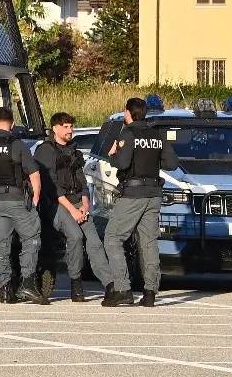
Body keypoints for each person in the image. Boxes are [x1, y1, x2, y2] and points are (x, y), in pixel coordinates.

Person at [36, 112, 134, 307]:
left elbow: (81, 180)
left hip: (78, 203)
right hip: (57, 204)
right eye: (65, 126)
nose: (70, 130)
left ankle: (110, 285)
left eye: (71, 126)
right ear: (55, 128)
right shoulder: (45, 151)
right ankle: (76, 282)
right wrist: (73, 210)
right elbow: (52, 186)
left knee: (95, 242)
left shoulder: (74, 151)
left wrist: (85, 203)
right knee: (75, 236)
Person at [104, 96, 179, 307]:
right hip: (154, 194)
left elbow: (123, 162)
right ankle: (150, 293)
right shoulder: (156, 135)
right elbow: (172, 163)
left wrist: (112, 155)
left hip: (133, 194)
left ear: (128, 113)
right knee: (148, 243)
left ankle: (123, 289)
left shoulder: (128, 133)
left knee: (112, 237)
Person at [0, 107, 47, 305]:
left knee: (1, 246)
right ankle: (27, 284)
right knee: (31, 239)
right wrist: (35, 198)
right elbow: (34, 174)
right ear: (12, 125)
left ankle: (4, 290)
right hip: (16, 200)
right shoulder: (17, 145)